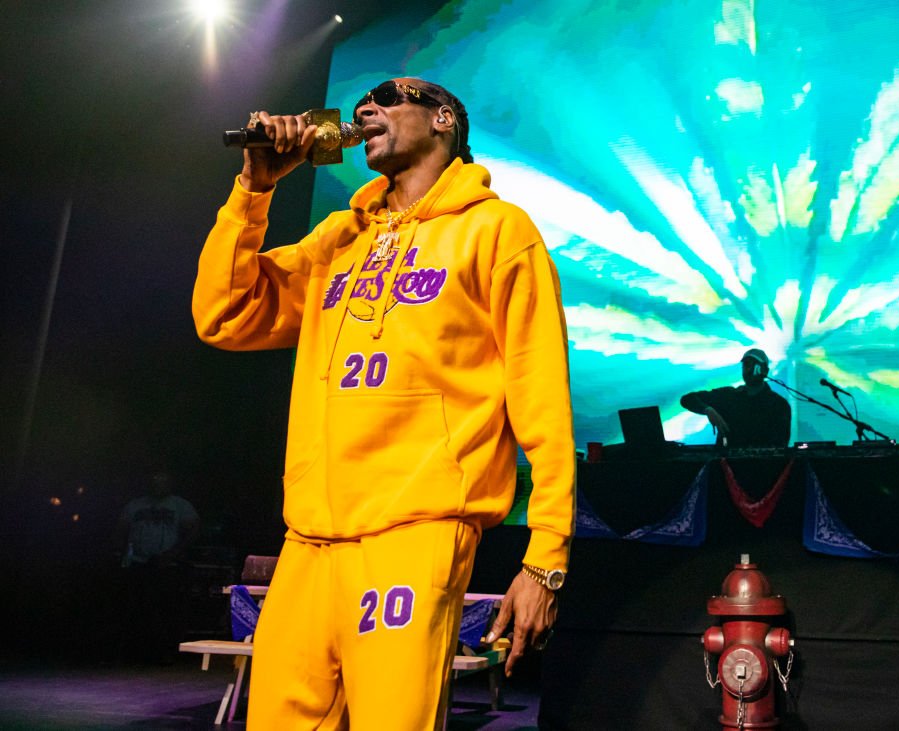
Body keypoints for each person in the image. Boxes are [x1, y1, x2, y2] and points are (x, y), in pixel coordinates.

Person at [192, 78, 575, 729]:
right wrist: (255, 190)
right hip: (309, 540)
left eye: (390, 96)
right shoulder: (339, 238)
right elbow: (224, 315)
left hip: (414, 532)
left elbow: (541, 398)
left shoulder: (497, 231)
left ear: (444, 119)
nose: (366, 108)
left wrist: (547, 559)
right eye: (363, 101)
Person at [114, 471, 200, 662]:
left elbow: (192, 531)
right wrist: (122, 555)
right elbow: (121, 530)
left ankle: (163, 653)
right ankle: (133, 652)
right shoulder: (135, 505)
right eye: (155, 480)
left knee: (163, 611)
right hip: (137, 563)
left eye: (163, 480)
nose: (159, 484)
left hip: (166, 565)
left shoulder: (180, 505)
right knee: (136, 609)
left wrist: (173, 554)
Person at [680, 348, 791, 448]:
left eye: (754, 365)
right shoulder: (727, 395)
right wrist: (707, 409)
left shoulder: (779, 404)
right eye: (746, 364)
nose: (749, 369)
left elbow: (781, 445)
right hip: (724, 465)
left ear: (765, 370)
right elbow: (687, 399)